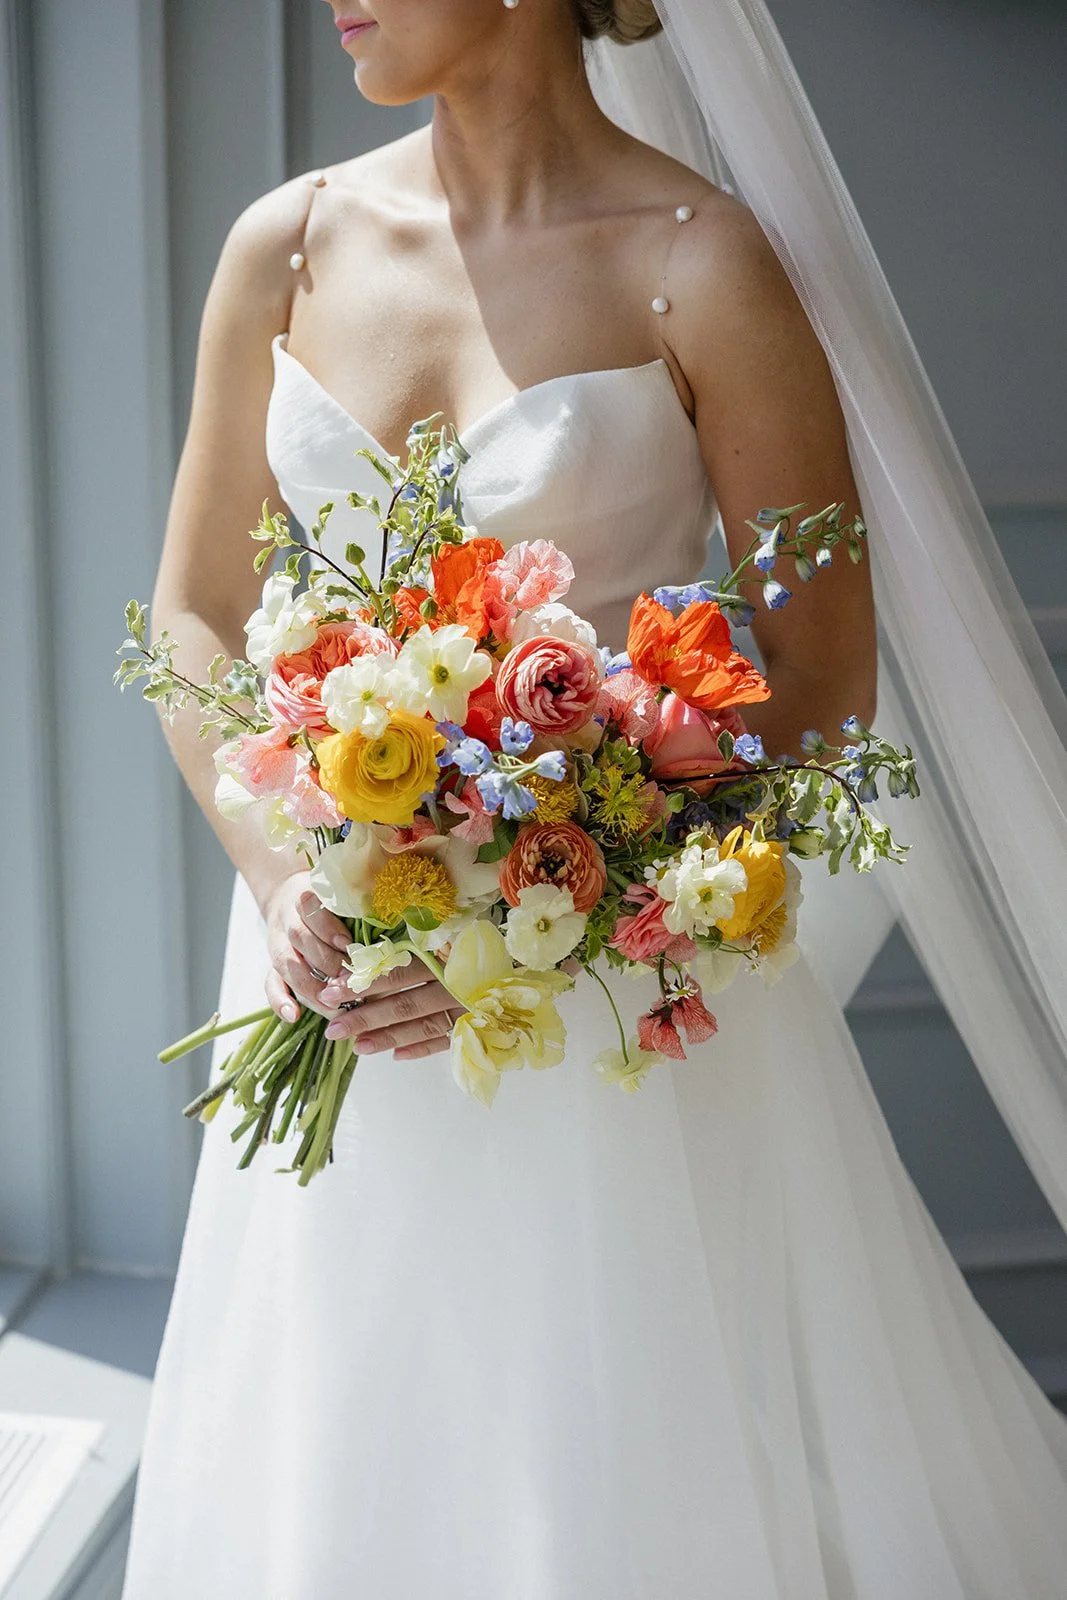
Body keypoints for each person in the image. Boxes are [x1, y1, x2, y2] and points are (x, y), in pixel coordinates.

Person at [121, 2, 1067, 1596]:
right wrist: (285, 878)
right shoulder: (284, 249)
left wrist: (539, 907)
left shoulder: (702, 265)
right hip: (337, 975)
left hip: (609, 1001)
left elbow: (819, 674)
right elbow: (194, 615)